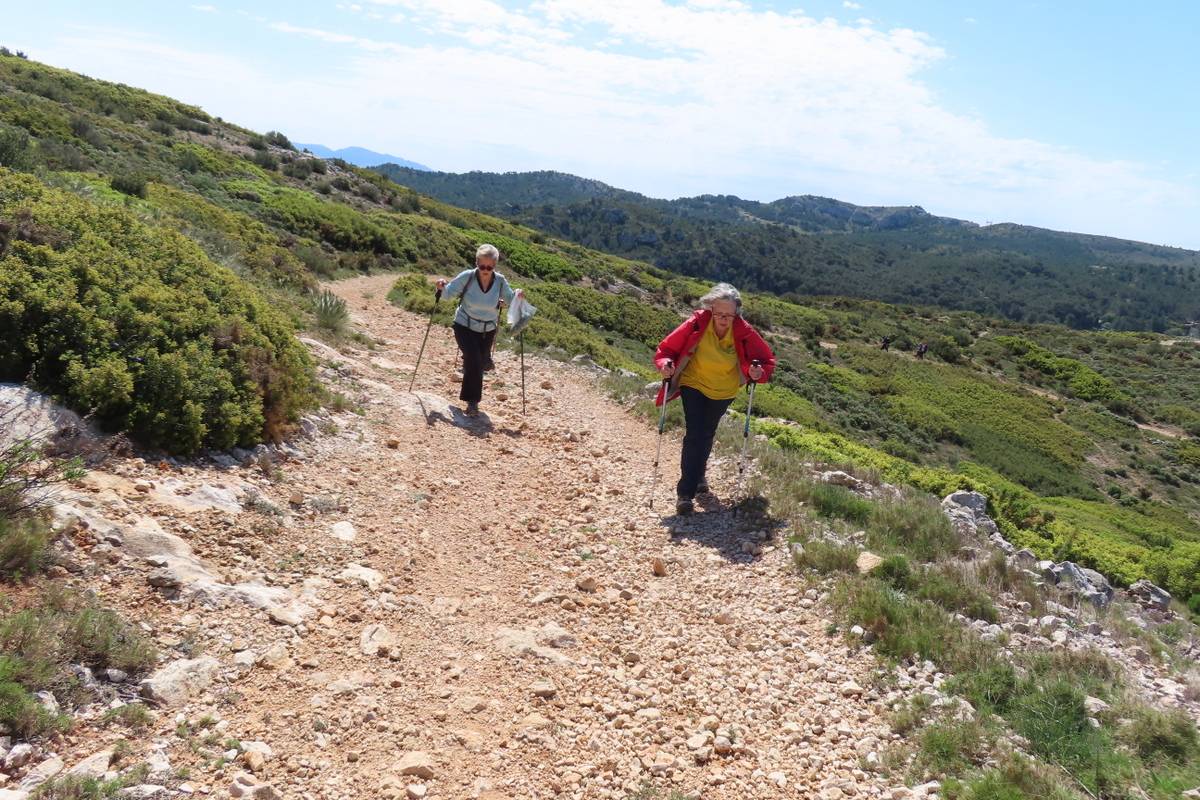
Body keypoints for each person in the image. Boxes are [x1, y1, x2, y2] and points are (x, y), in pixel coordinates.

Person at [654, 283, 775, 515]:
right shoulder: (697, 322)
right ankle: (685, 494)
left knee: (707, 433)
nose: (723, 319)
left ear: (736, 314)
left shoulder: (743, 331)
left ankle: (699, 475)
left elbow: (765, 361)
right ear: (710, 308)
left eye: (729, 315)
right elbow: (667, 349)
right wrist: (664, 365)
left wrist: (755, 372)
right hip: (694, 383)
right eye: (719, 313)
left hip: (724, 390)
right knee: (694, 433)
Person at [436, 244, 523, 416]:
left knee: (477, 361)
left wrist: (518, 296)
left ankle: (481, 359)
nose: (485, 270)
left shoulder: (499, 281)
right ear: (476, 263)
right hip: (464, 325)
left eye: (489, 267)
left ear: (495, 266)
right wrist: (440, 287)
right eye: (482, 266)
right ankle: (472, 402)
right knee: (475, 360)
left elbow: (511, 299)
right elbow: (448, 294)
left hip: (487, 329)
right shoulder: (467, 277)